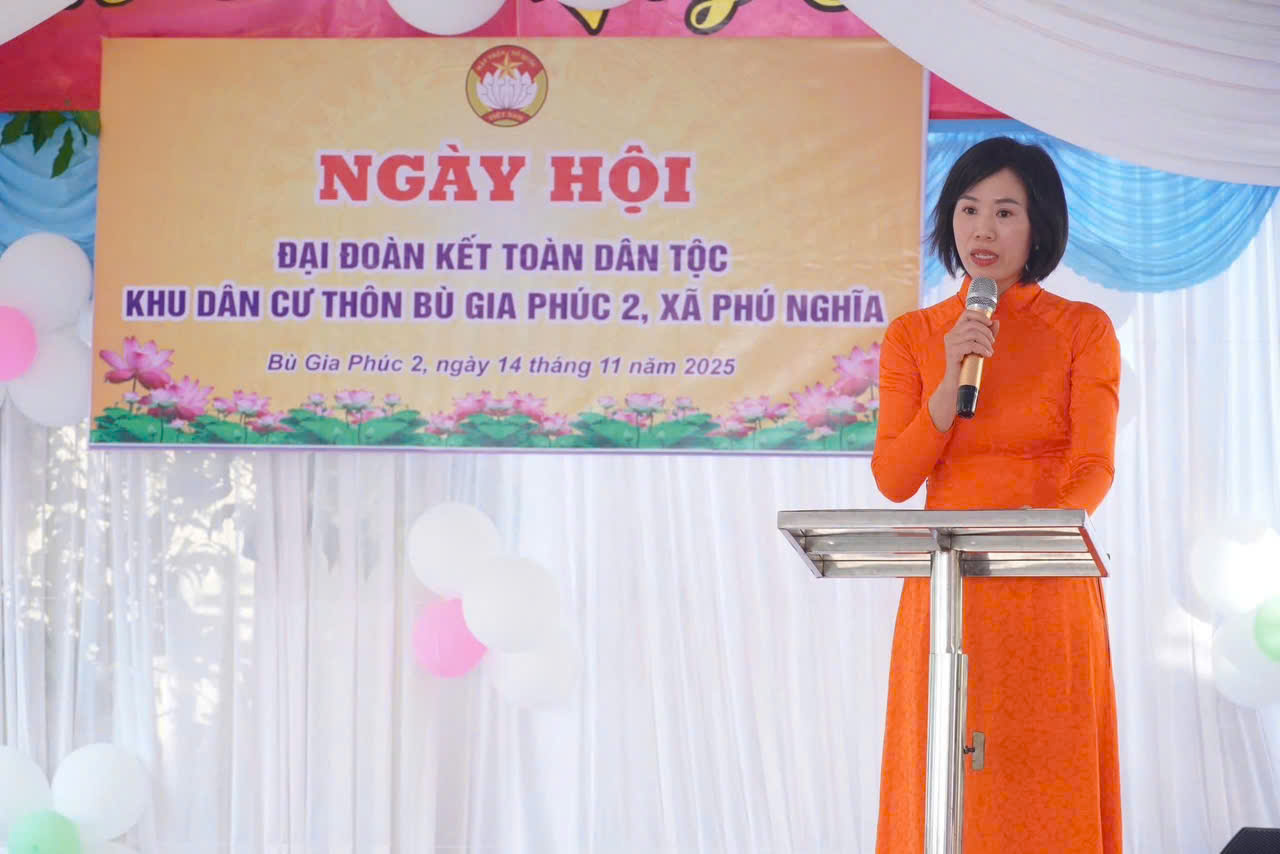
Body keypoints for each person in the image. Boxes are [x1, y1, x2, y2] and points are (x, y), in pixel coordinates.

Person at [871, 137, 1122, 853]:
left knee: (1042, 777)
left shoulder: (1082, 330)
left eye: (1005, 211)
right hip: (949, 588)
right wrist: (948, 381)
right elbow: (894, 479)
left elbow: (1094, 466)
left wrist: (1037, 535)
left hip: (1045, 581)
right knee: (945, 780)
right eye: (969, 208)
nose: (983, 229)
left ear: (1038, 224)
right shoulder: (914, 336)